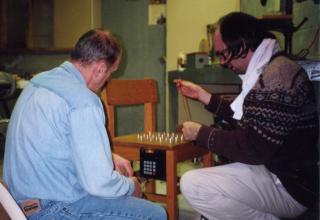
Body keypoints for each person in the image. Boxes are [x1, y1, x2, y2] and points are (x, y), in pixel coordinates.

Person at [3, 29, 167, 220]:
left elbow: (54, 141)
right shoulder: (84, 101)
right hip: (53, 210)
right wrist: (131, 186)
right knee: (155, 213)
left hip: (16, 205)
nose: (108, 80)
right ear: (100, 69)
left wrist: (107, 156)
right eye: (111, 73)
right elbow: (99, 184)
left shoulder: (38, 82)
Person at [176, 12, 319, 220]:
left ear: (242, 44)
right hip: (277, 171)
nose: (224, 62)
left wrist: (201, 133)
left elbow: (253, 148)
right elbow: (251, 118)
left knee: (194, 185)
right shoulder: (272, 66)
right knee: (209, 208)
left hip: (291, 189)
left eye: (224, 54)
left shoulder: (276, 78)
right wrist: (203, 96)